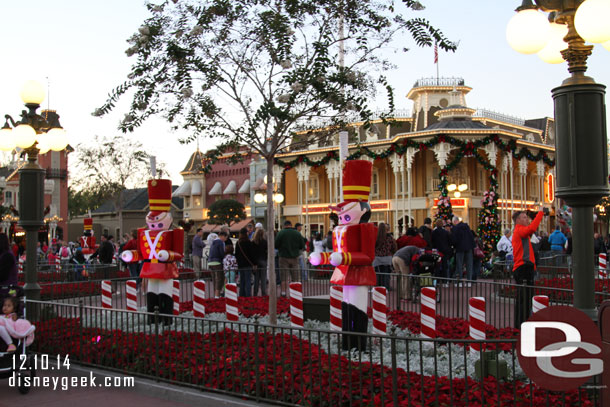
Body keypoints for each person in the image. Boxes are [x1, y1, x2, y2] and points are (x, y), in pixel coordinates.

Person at [512, 207, 544, 328]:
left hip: (524, 267)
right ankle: (521, 324)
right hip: (523, 268)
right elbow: (532, 228)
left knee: (524, 299)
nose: (527, 220)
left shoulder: (520, 231)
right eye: (524, 218)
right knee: (524, 300)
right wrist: (539, 214)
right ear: (518, 220)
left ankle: (521, 324)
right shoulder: (520, 230)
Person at [275, 220, 305, 296]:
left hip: (283, 258)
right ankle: (295, 294)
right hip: (295, 257)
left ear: (284, 225)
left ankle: (283, 293)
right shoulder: (297, 233)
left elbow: (276, 245)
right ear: (291, 225)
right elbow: (302, 245)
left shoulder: (280, 233)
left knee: (284, 277)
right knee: (295, 277)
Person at [450, 216, 475, 282]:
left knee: (459, 264)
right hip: (469, 248)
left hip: (460, 248)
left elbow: (454, 240)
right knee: (469, 265)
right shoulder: (467, 227)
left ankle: (459, 280)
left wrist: (454, 246)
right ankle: (469, 280)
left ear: (455, 221)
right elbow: (471, 237)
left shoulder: (455, 228)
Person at [373, 223, 396, 290]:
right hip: (387, 257)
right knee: (386, 273)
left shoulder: (375, 237)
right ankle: (386, 287)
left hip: (377, 258)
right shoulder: (390, 237)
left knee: (378, 273)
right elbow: (394, 247)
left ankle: (378, 287)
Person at [235, 227, 256, 297]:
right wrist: (254, 263)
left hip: (241, 264)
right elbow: (252, 254)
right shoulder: (249, 242)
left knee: (242, 281)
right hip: (248, 264)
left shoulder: (238, 243)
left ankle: (241, 294)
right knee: (248, 280)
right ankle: (248, 295)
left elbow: (236, 254)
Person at [208, 231, 228, 298]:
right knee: (219, 279)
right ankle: (217, 296)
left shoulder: (213, 242)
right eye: (225, 238)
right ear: (222, 236)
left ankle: (215, 294)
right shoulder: (220, 242)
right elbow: (222, 253)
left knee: (214, 279)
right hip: (217, 262)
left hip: (210, 262)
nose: (225, 240)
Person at [252, 228, 268, 296]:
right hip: (263, 260)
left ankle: (255, 293)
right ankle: (263, 293)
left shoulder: (253, 242)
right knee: (263, 278)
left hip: (256, 262)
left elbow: (252, 253)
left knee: (256, 279)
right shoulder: (264, 242)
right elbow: (266, 251)